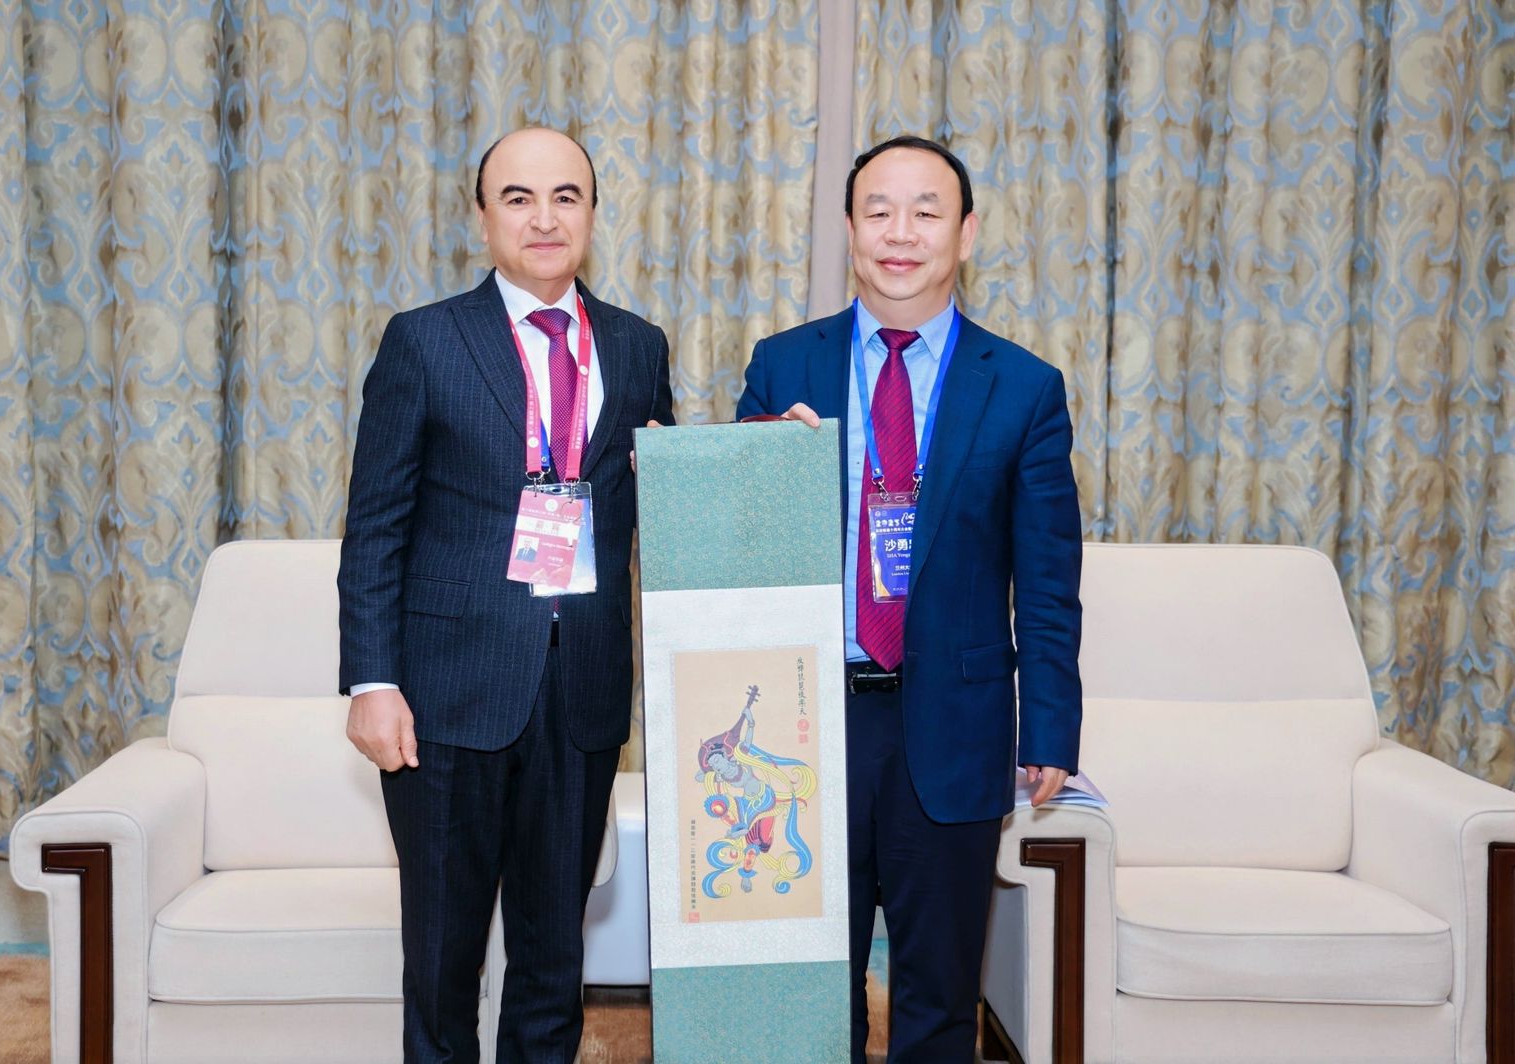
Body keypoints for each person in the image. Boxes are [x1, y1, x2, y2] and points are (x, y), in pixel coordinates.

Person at [736, 135, 1083, 1062]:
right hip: (809, 725)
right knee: (813, 995)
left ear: (965, 234)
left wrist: (1050, 725)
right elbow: (741, 555)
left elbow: (1049, 580)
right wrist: (758, 464)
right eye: (878, 211)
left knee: (937, 1001)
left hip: (955, 725)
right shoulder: (783, 366)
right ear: (849, 231)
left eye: (926, 212)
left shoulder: (1023, 387)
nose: (901, 233)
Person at [337, 126, 674, 1063]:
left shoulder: (638, 347)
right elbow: (376, 526)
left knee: (552, 962)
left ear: (593, 214)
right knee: (443, 965)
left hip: (583, 696)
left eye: (567, 196)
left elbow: (665, 494)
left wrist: (767, 451)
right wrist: (372, 681)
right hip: (446, 698)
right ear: (483, 217)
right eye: (519, 198)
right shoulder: (424, 340)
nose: (544, 217)